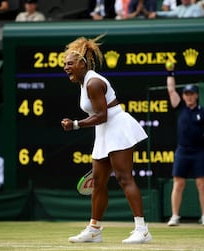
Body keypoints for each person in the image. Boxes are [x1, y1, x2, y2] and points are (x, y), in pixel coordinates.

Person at [61, 35, 152, 244]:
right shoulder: (83, 83)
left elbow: (102, 115)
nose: (66, 67)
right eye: (65, 64)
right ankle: (94, 230)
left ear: (82, 63)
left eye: (70, 63)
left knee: (123, 178)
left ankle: (142, 230)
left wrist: (75, 124)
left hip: (117, 128)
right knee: (99, 183)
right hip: (103, 132)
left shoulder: (93, 83)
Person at [165, 61, 204, 226]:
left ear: (196, 95)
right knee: (178, 183)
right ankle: (175, 216)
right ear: (183, 96)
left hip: (198, 151)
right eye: (186, 94)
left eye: (192, 94)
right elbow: (170, 89)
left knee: (201, 183)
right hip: (182, 150)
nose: (189, 96)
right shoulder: (180, 107)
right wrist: (170, 73)